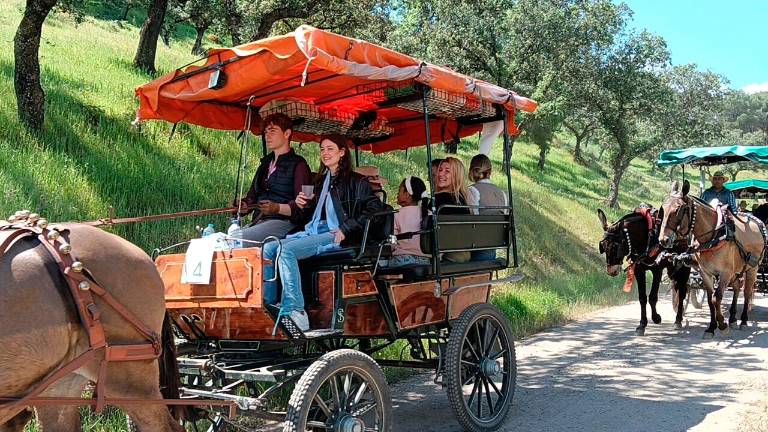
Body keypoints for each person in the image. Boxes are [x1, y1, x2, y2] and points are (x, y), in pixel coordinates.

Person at [261, 134, 384, 331]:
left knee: (286, 251)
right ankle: (269, 305)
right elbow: (310, 217)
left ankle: (296, 310)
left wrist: (346, 228)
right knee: (267, 249)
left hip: (337, 234)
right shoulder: (319, 181)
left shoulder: (356, 181)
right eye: (322, 149)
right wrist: (303, 204)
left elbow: (375, 210)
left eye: (330, 149)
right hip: (314, 230)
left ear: (342, 153)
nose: (325, 153)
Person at [232, 113, 311, 244]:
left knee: (236, 240)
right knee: (226, 239)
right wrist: (242, 206)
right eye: (266, 132)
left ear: (287, 134)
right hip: (259, 221)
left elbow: (304, 207)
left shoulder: (300, 165)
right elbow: (252, 197)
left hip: (285, 224)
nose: (267, 136)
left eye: (273, 131)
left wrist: (277, 208)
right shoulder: (265, 164)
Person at [433, 157, 474, 262]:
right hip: (466, 254)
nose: (440, 174)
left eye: (447, 171)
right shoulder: (463, 200)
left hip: (447, 255)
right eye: (440, 170)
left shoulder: (438, 199)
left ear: (456, 176)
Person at [468, 154, 508, 261]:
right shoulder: (502, 193)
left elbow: (472, 219)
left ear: (472, 171)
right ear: (489, 172)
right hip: (495, 242)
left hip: (476, 244)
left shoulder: (472, 190)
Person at [388, 176, 431, 267]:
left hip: (402, 261)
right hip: (426, 262)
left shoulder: (396, 214)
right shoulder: (429, 213)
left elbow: (392, 243)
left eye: (399, 190)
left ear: (407, 194)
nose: (397, 193)